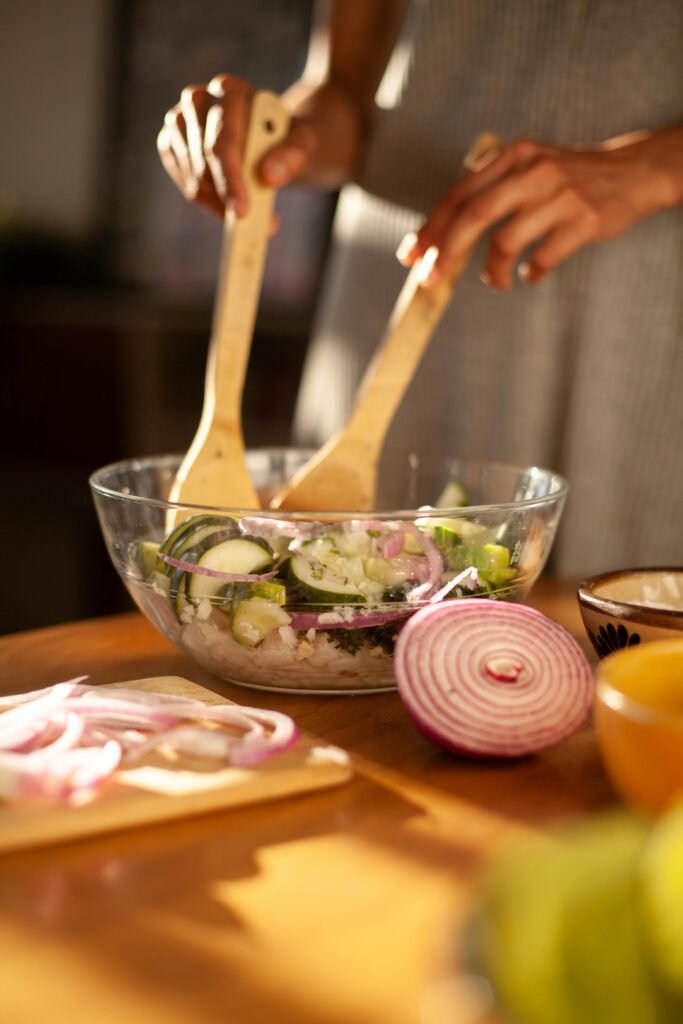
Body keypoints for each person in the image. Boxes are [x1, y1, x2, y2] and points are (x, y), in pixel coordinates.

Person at [156, 0, 683, 578]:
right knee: (355, 582)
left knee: (637, 621)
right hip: (401, 239)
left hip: (647, 287)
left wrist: (654, 167)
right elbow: (339, 90)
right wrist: (290, 137)